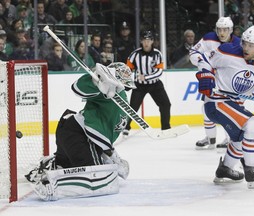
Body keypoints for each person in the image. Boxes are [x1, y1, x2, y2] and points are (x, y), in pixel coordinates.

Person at [25, 62, 135, 201]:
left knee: (70, 166)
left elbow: (104, 133)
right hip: (80, 134)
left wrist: (112, 156)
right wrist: (95, 82)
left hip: (73, 132)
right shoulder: (103, 90)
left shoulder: (121, 99)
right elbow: (77, 88)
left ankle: (52, 165)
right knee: (98, 179)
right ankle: (51, 185)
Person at [196, 25, 254, 189]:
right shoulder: (227, 50)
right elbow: (204, 60)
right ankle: (252, 171)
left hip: (234, 105)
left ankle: (225, 170)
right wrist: (206, 75)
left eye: (251, 45)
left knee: (242, 138)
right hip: (216, 102)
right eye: (245, 43)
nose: (246, 48)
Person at [190, 16, 240, 150]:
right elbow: (194, 52)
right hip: (211, 80)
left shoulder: (239, 43)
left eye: (225, 30)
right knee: (206, 109)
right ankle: (210, 138)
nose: (222, 33)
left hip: (229, 83)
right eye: (219, 29)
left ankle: (230, 139)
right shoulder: (209, 38)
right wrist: (202, 62)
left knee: (229, 111)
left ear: (230, 30)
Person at [122, 30, 171, 137]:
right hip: (139, 86)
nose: (146, 43)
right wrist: (128, 81)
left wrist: (146, 77)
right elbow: (127, 70)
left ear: (152, 41)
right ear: (141, 41)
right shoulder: (135, 54)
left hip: (155, 85)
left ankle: (166, 128)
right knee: (133, 107)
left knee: (166, 104)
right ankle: (126, 127)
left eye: (149, 40)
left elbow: (159, 71)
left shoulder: (158, 54)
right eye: (144, 40)